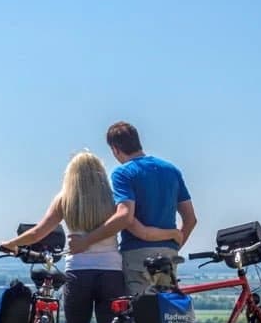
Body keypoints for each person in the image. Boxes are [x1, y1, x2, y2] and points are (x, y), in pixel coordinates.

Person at [0, 151, 181, 323]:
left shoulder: (65, 200)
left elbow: (39, 231)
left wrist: (12, 243)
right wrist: (171, 235)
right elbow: (134, 225)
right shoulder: (113, 198)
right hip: (111, 276)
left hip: (77, 277)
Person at [69, 121, 197, 296]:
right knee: (162, 313)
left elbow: (125, 216)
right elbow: (190, 219)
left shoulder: (123, 173)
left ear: (115, 149)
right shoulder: (171, 170)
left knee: (139, 317)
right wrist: (174, 243)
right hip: (167, 255)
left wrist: (86, 241)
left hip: (137, 256)